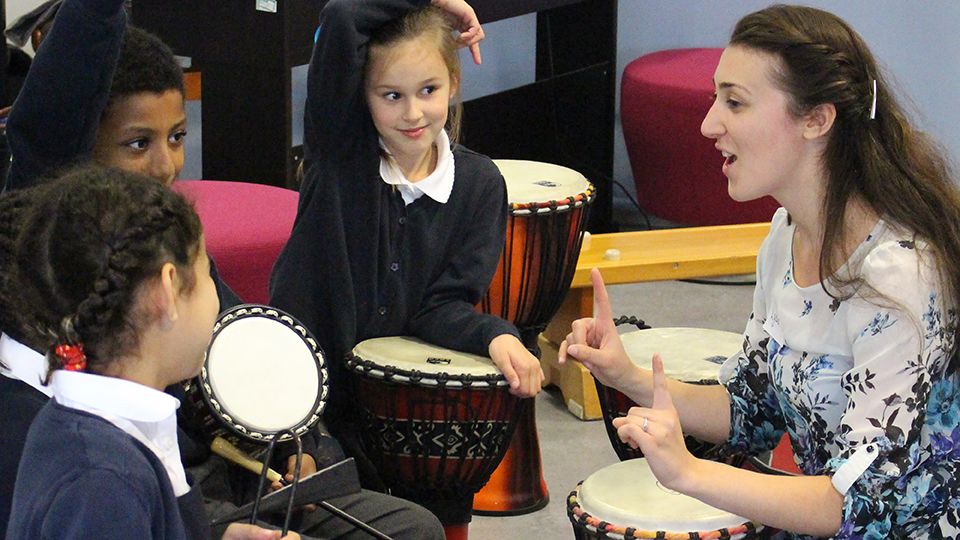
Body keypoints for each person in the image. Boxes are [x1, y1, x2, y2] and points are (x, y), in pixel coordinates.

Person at [0, 0, 445, 537]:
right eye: (138, 144)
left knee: (409, 527)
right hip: (174, 509)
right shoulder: (52, 255)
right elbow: (49, 119)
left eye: (177, 138)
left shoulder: (169, 239)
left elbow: (245, 347)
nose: (165, 165)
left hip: (219, 491)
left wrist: (298, 444)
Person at [560, 5, 960, 539]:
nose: (709, 124)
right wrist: (623, 374)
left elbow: (859, 506)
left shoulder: (898, 275)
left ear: (817, 120)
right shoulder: (784, 237)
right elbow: (753, 408)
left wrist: (689, 473)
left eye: (736, 103)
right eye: (715, 97)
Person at [269, 0, 544, 484]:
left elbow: (440, 308)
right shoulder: (339, 153)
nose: (413, 112)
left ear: (453, 84)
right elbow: (341, 16)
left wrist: (495, 334)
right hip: (299, 394)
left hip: (387, 408)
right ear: (362, 95)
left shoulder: (479, 185)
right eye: (391, 95)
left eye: (429, 90)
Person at [5, 167, 298, 540]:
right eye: (207, 272)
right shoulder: (102, 482)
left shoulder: (95, 426)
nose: (215, 294)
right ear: (167, 291)